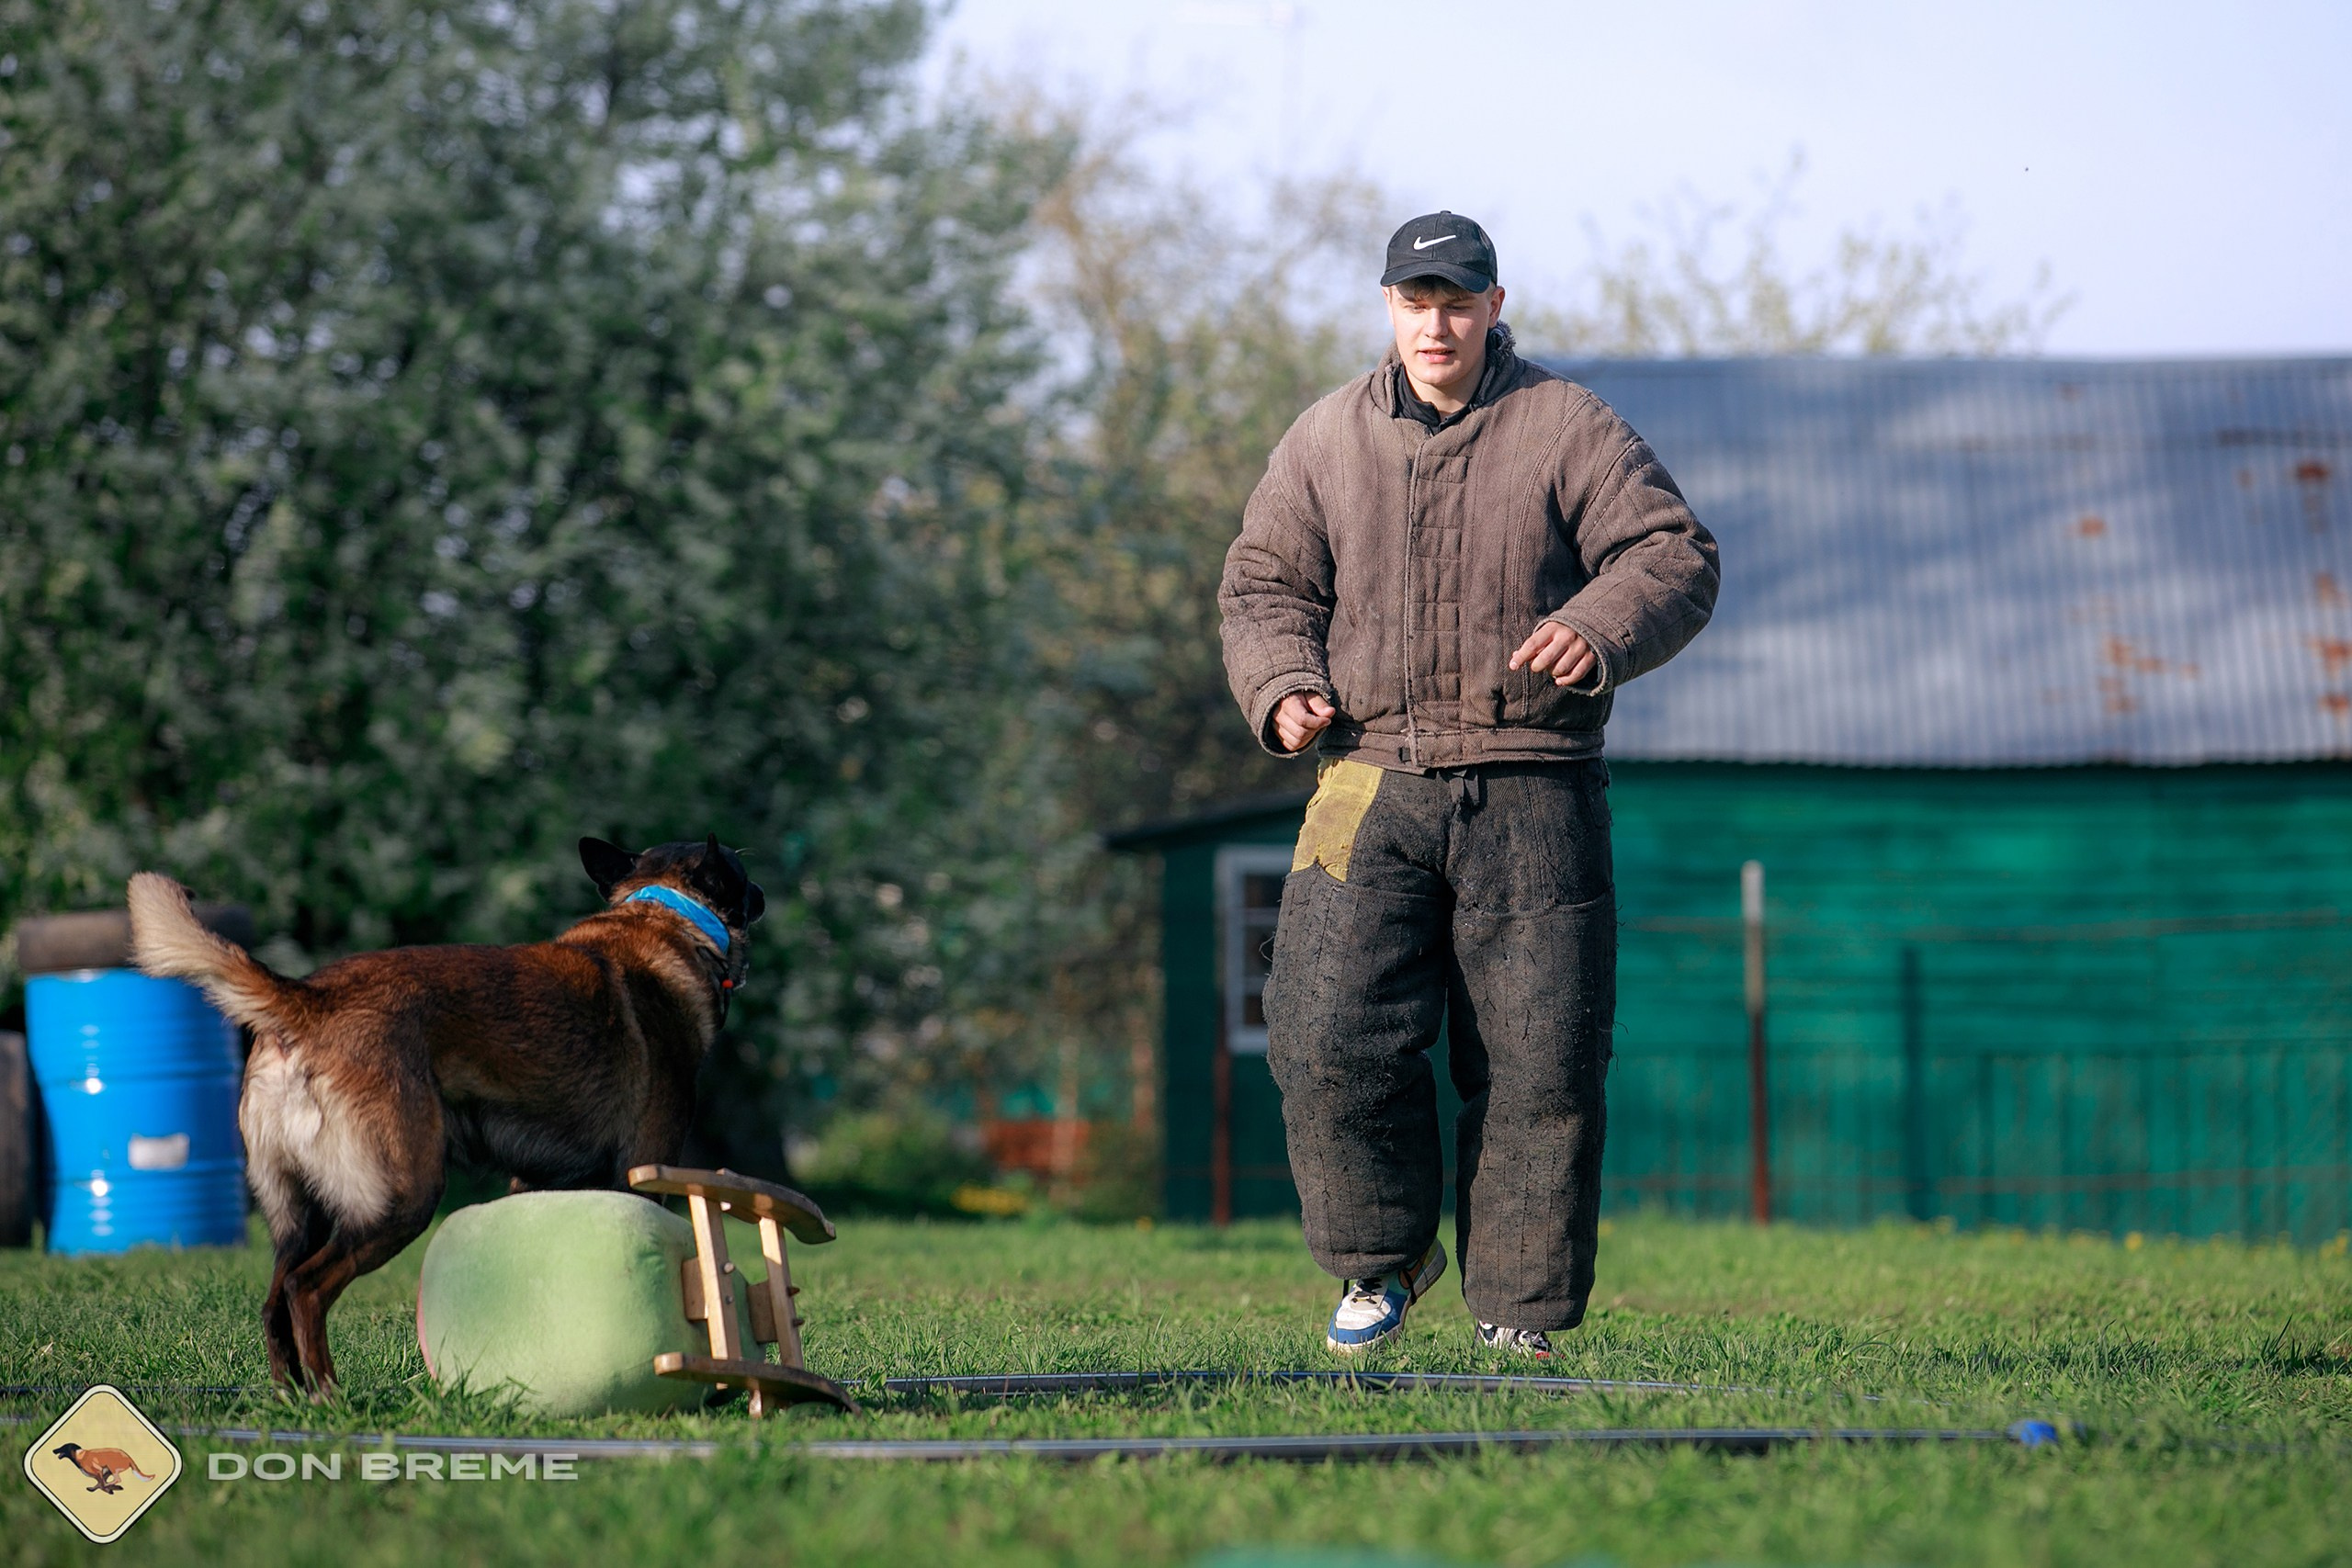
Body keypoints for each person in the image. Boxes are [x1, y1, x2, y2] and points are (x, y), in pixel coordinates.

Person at [1219, 211, 1719, 1357]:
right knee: (1319, 1028)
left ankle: (1520, 1316)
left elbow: (1673, 554)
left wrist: (1597, 625)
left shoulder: (1565, 426)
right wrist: (1285, 684)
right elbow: (1260, 586)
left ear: (1495, 307)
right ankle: (1378, 1262)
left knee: (1543, 1060)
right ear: (1387, 308)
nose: (1433, 322)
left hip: (1534, 785)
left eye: (1456, 301)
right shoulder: (1325, 438)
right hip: (1364, 777)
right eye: (1413, 301)